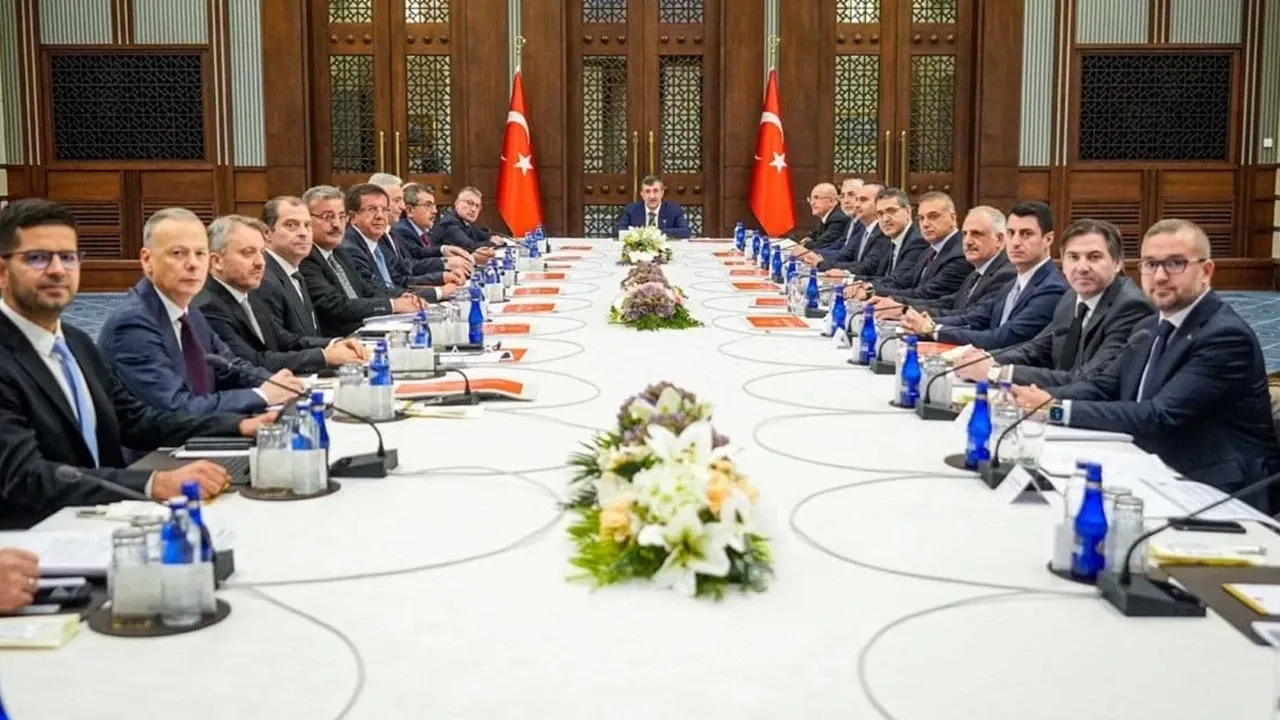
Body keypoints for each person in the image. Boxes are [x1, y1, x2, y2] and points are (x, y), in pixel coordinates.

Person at [0, 200, 271, 529]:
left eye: (68, 257)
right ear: (3, 272)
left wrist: (237, 425)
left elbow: (136, 420)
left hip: (105, 517)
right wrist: (151, 483)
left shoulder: (75, 341)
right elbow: (24, 477)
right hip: (34, 537)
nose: (58, 270)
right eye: (37, 257)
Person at [1013, 219, 1280, 508]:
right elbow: (1104, 386)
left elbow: (1159, 415)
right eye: (1151, 264)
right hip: (1153, 466)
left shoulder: (1225, 336)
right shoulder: (1150, 326)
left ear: (1206, 271)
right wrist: (1035, 400)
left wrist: (1055, 410)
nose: (1160, 276)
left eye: (1175, 264)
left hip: (1217, 489)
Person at [98, 207, 304, 415]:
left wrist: (273, 382)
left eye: (200, 253)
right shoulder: (133, 324)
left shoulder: (190, 312)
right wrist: (262, 395)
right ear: (147, 260)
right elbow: (175, 407)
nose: (193, 264)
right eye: (178, 253)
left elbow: (230, 367)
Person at [957, 218, 1153, 386]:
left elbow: (1088, 379)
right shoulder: (1071, 297)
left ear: (1117, 263)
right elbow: (1038, 348)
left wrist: (997, 372)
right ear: (1063, 263)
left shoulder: (1130, 307)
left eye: (1094, 257)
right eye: (1073, 257)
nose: (1082, 267)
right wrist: (987, 359)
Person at [197, 214, 369, 374]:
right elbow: (252, 361)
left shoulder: (250, 293)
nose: (260, 262)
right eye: (248, 253)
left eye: (262, 253)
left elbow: (284, 340)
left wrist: (334, 343)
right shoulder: (208, 305)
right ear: (217, 261)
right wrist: (324, 357)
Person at [901, 200, 1066, 351]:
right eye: (1011, 233)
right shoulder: (1013, 284)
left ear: (1048, 239)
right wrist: (925, 321)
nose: (1015, 242)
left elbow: (1003, 338)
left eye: (1026, 234)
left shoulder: (1051, 288)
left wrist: (931, 329)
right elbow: (976, 318)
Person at [298, 185, 426, 336]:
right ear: (307, 221)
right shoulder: (306, 258)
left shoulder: (339, 252)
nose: (337, 224)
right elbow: (335, 306)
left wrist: (401, 298)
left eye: (341, 216)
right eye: (328, 217)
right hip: (339, 340)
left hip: (362, 331)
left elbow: (366, 290)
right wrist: (393, 305)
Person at [862, 205, 1014, 320]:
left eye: (976, 234)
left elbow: (970, 317)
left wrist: (906, 312)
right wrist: (899, 305)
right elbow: (949, 302)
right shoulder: (978, 270)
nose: (967, 241)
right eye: (965, 234)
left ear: (1000, 239)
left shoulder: (1004, 274)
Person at [340, 183, 460, 302]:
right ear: (352, 217)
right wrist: (438, 293)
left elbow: (399, 280)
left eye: (384, 209)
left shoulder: (377, 240)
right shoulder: (350, 249)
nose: (380, 216)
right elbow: (377, 292)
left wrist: (440, 278)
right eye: (371, 209)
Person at [849, 191, 969, 302]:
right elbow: (904, 280)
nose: (925, 224)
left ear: (953, 217)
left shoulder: (959, 255)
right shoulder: (930, 251)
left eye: (933, 216)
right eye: (921, 218)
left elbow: (926, 293)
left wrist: (872, 293)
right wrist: (868, 287)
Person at [372, 174, 473, 276]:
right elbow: (404, 270)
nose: (402, 207)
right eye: (397, 200)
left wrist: (443, 251)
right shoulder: (401, 230)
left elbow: (416, 253)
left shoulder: (392, 231)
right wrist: (444, 270)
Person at [260, 196, 324, 337]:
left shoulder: (295, 273)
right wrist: (331, 345)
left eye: (307, 225)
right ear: (267, 233)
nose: (303, 233)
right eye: (291, 225)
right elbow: (280, 341)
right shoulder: (264, 278)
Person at [798, 179, 890, 275]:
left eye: (863, 200)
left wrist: (822, 263)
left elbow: (868, 266)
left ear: (880, 204)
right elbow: (845, 254)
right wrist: (817, 258)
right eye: (857, 199)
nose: (856, 205)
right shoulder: (863, 227)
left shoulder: (884, 230)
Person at [429, 186, 506, 255]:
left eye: (477, 206)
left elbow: (480, 234)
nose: (473, 209)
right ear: (457, 204)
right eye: (470, 203)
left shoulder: (465, 221)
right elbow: (470, 247)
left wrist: (490, 237)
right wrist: (493, 243)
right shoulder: (450, 224)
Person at [612, 175, 692, 239]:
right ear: (642, 194)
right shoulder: (631, 209)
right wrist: (641, 234)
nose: (652, 196)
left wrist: (657, 233)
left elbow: (685, 231)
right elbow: (617, 231)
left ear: (662, 193)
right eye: (647, 191)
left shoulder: (673, 209)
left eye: (655, 191)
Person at [795, 183, 849, 252]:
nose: (812, 203)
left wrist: (805, 244)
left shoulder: (838, 219)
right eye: (810, 199)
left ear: (831, 201)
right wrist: (809, 238)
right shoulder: (828, 217)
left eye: (816, 198)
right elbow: (817, 236)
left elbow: (820, 245)